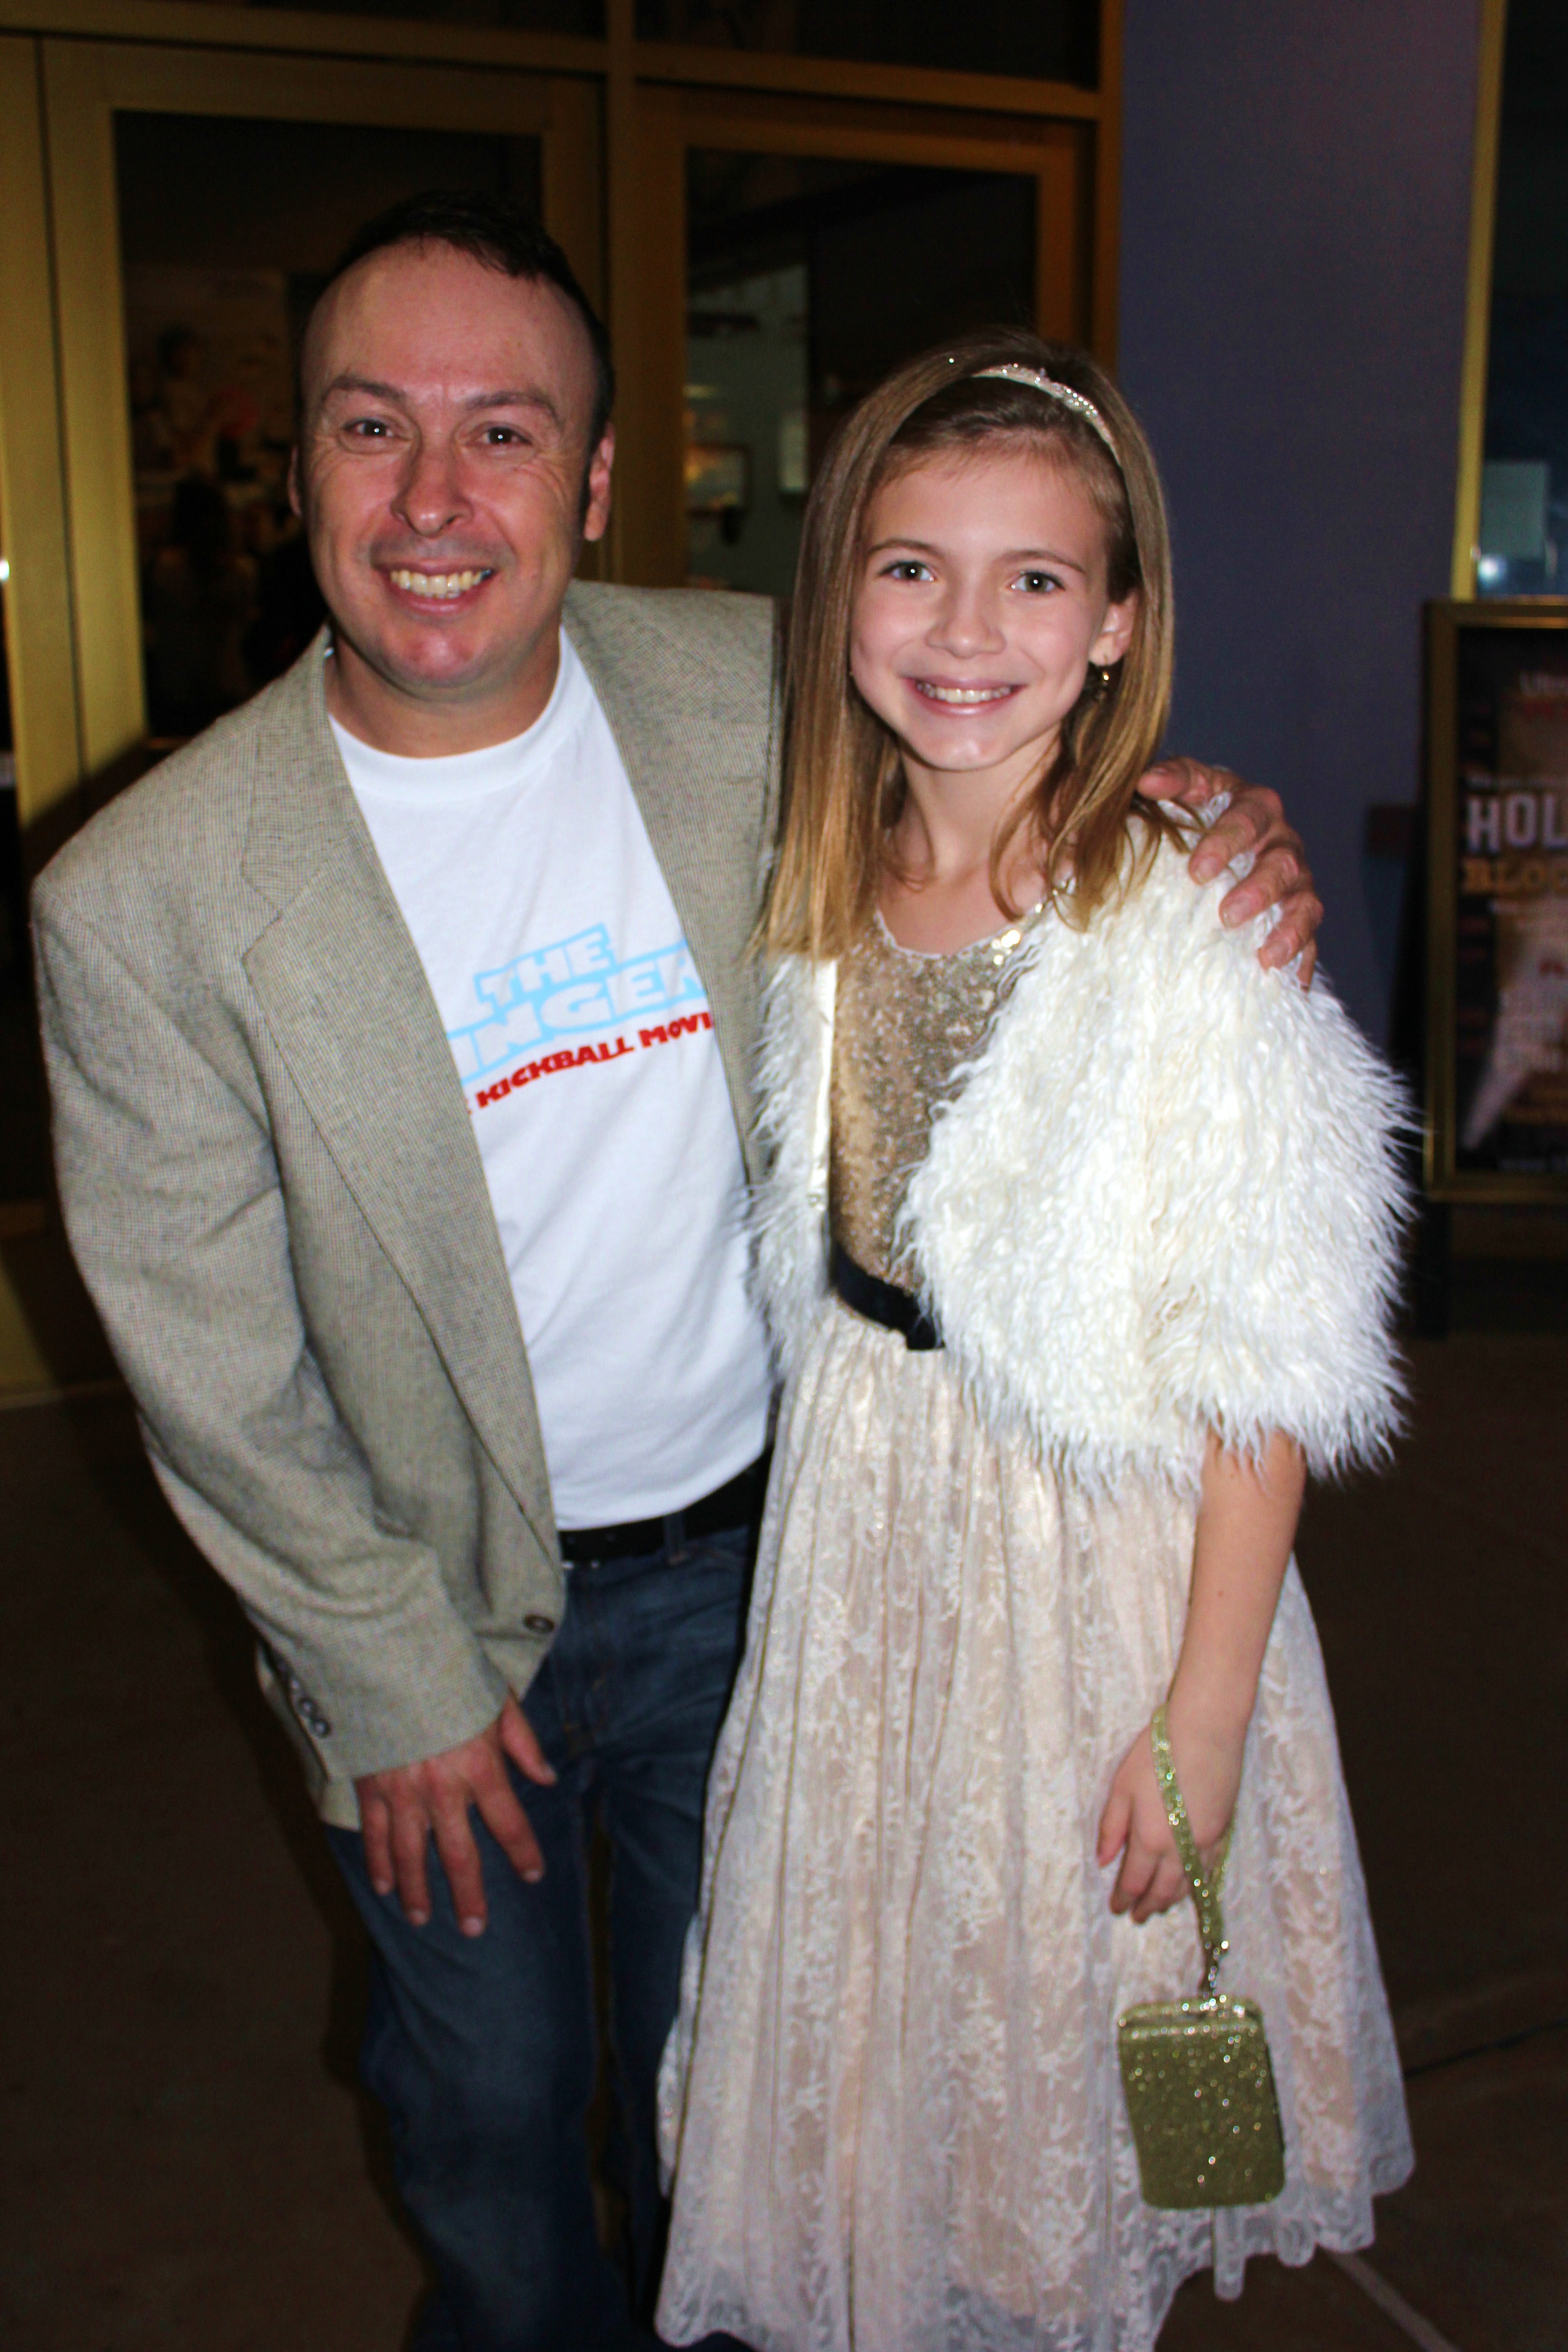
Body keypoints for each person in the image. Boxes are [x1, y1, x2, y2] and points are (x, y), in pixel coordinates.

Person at [33, 194, 1324, 2352]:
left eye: (507, 433)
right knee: (493, 2127)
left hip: (787, 1578)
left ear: (598, 480)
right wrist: (386, 1675)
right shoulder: (147, 898)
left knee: (750, 2117)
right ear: (298, 471)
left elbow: (1012, 738)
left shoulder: (745, 691)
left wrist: (1207, 820)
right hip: (452, 1631)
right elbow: (206, 1370)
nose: (440, 500)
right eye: (375, 428)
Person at [655, 333, 1413, 2352]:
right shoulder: (822, 876)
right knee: (890, 2057)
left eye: (1035, 580)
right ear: (839, 601)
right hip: (863, 1545)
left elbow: (1267, 1370)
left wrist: (1210, 1718)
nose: (966, 629)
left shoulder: (1183, 919)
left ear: (1119, 627)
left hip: (1094, 1576)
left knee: (1053, 2075)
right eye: (910, 569)